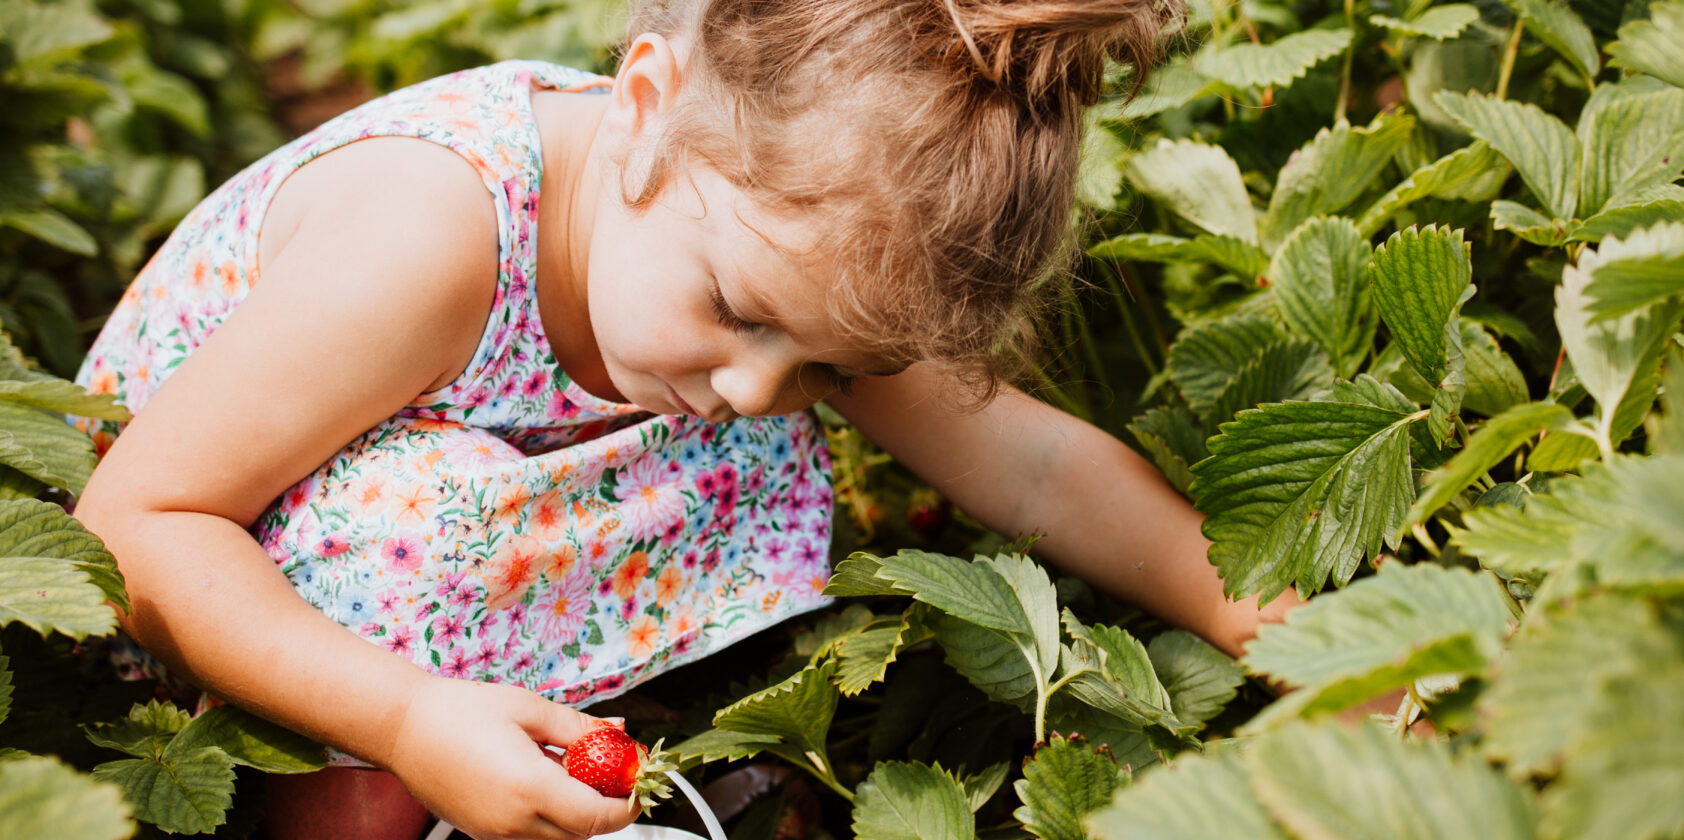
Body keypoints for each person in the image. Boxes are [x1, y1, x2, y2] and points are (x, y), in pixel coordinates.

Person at [71, 0, 1298, 838]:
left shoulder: (786, 251)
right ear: (646, 107)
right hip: (229, 590)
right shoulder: (425, 239)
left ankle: (594, 736)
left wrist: (1278, 622)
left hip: (502, 533)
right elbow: (134, 524)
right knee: (402, 525)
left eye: (830, 368)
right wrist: (406, 720)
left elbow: (1029, 465)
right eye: (739, 311)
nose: (759, 388)